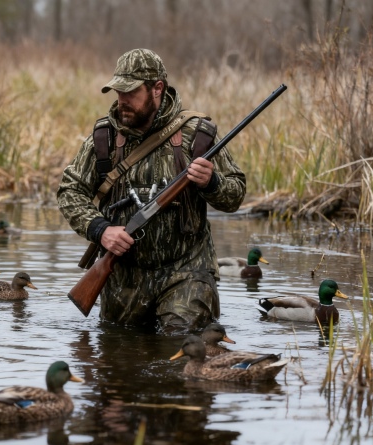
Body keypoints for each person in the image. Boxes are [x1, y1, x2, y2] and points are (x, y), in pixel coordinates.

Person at [57, 48, 246, 334]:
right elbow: (70, 191)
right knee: (119, 355)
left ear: (157, 88)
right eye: (118, 92)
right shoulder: (104, 137)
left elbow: (235, 195)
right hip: (124, 277)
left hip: (187, 271)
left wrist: (212, 183)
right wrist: (100, 230)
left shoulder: (198, 134)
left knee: (183, 348)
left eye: (131, 92)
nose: (122, 100)